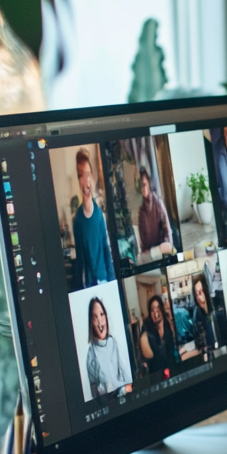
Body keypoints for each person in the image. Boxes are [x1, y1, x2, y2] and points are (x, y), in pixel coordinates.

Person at [71, 149, 115, 288]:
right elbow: (79, 261)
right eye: (81, 175)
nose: (86, 180)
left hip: (105, 281)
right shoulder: (77, 220)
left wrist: (113, 282)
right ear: (79, 180)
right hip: (88, 284)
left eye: (88, 174)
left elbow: (106, 250)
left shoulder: (99, 216)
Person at [83, 296, 130, 399]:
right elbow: (94, 389)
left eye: (101, 314)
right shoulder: (91, 354)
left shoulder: (114, 342)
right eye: (95, 317)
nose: (100, 322)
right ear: (91, 322)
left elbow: (125, 374)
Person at [137, 166, 175, 258]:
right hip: (151, 254)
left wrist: (169, 250)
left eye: (144, 185)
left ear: (149, 184)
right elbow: (143, 242)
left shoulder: (158, 203)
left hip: (163, 250)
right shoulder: (141, 212)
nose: (143, 188)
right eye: (141, 186)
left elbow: (167, 230)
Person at [138, 294, 176, 378]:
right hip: (156, 376)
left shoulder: (168, 326)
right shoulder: (147, 332)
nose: (155, 312)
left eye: (158, 307)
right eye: (152, 310)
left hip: (173, 370)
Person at [189, 277, 225, 352]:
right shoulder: (197, 315)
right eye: (197, 293)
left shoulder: (211, 306)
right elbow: (200, 343)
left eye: (201, 291)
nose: (199, 295)